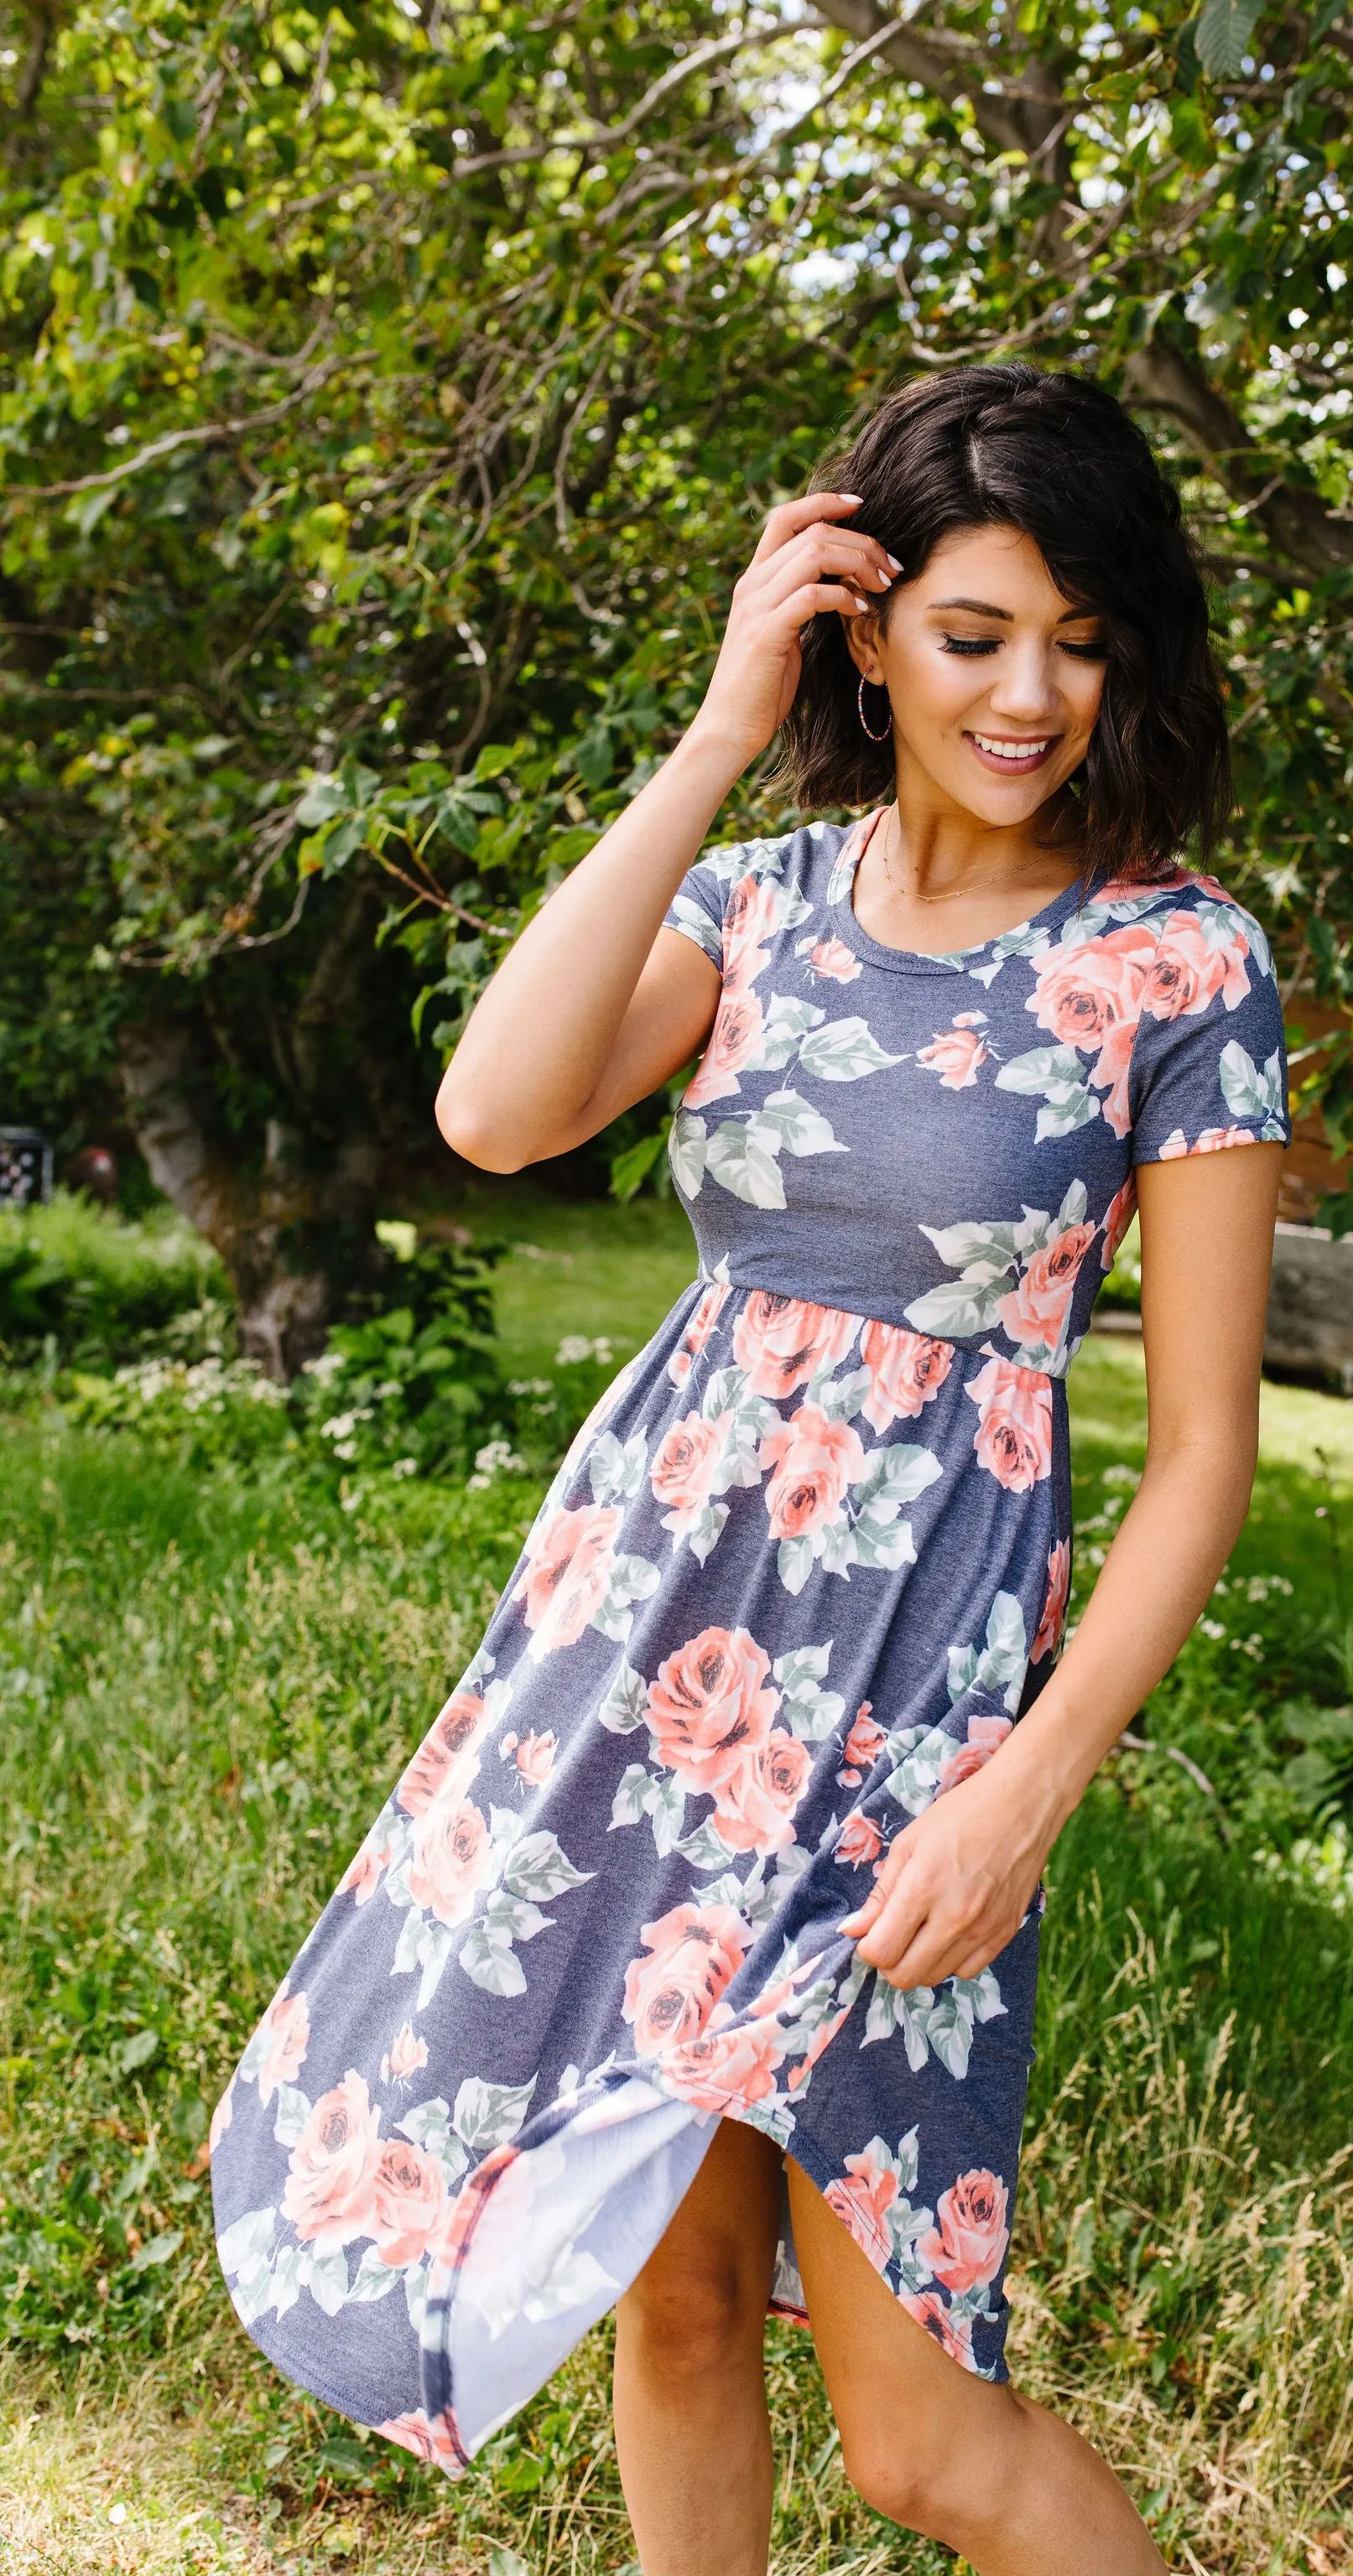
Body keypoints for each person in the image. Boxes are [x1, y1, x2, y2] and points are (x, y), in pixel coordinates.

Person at [209, 362, 1287, 2574]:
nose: (1031, 695)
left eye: (1082, 642)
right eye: (976, 634)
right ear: (864, 632)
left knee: (921, 2438)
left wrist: (1028, 1783)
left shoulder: (1176, 959)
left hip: (919, 1718)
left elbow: (1203, 1458)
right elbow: (498, 1117)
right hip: (654, 1655)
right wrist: (714, 735)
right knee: (679, 2306)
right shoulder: (764, 903)